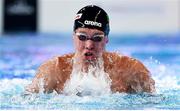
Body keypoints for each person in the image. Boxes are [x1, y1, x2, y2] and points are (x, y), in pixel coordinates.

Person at [26, 5, 155, 95]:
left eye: (97, 38)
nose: (89, 45)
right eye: (82, 37)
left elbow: (154, 102)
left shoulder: (131, 71)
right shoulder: (53, 71)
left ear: (106, 39)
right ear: (73, 37)